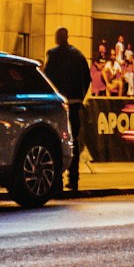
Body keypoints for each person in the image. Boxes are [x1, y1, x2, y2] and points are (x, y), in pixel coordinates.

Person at [43, 28, 92, 195]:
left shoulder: (53, 55)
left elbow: (47, 78)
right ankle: (74, 178)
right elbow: (87, 78)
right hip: (75, 102)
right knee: (74, 141)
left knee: (57, 141)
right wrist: (79, 97)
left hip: (58, 104)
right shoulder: (78, 56)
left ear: (58, 38)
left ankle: (57, 180)